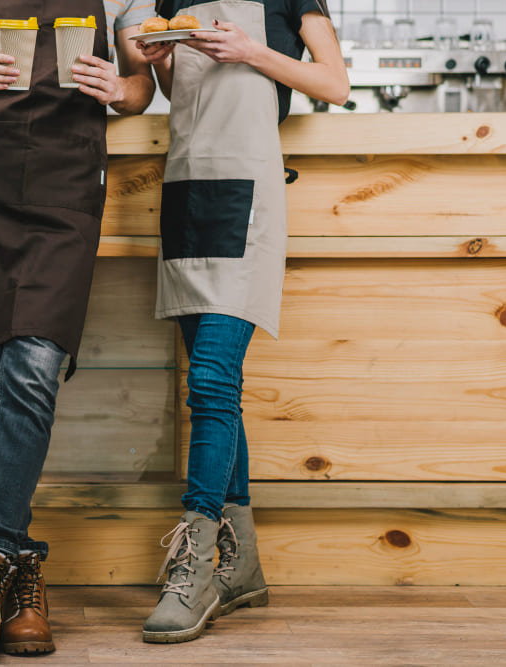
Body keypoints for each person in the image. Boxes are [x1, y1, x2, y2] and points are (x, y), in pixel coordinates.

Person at [0, 0, 155, 657]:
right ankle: (20, 578)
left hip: (65, 187)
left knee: (33, 370)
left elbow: (140, 88)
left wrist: (120, 87)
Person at [136, 0, 349, 644]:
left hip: (250, 193)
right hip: (188, 190)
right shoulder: (172, 2)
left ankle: (197, 555)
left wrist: (250, 51)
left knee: (211, 381)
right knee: (214, 390)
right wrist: (163, 59)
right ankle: (244, 565)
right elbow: (180, 93)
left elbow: (335, 84)